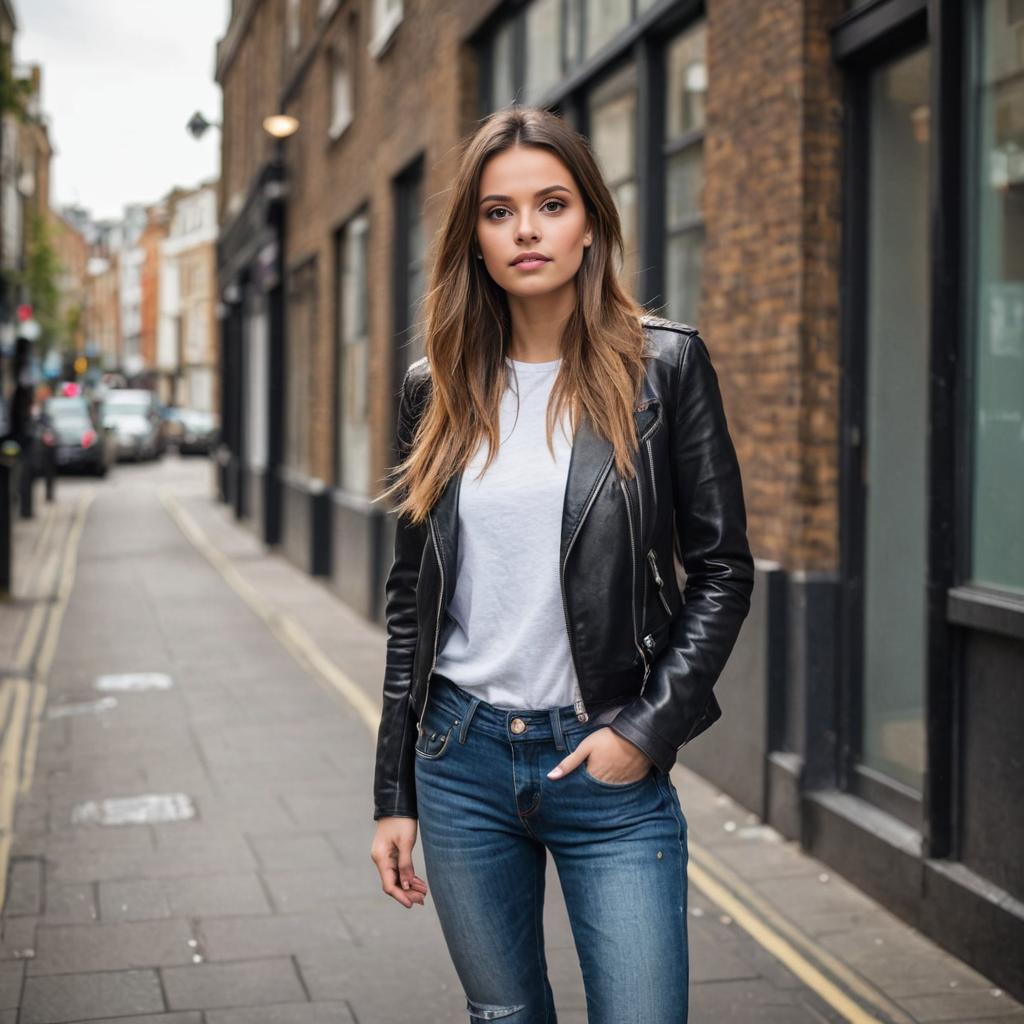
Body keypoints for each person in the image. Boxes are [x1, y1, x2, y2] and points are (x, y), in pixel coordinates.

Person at [369, 105, 754, 1024]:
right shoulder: (437, 387)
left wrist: (646, 733)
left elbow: (723, 569)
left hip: (604, 757)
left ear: (591, 224)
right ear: (476, 236)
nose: (528, 230)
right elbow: (410, 607)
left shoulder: (664, 367)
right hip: (458, 758)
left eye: (552, 204)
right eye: (500, 212)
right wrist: (394, 792)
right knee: (504, 1017)